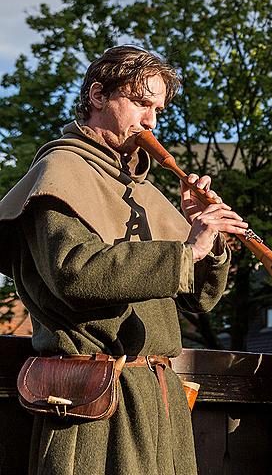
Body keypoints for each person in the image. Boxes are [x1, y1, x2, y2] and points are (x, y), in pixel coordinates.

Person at [0, 45, 248, 474]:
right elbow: (76, 274)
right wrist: (187, 251)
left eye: (158, 109)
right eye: (139, 102)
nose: (151, 121)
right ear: (97, 95)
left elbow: (198, 301)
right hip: (94, 401)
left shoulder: (142, 190)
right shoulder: (61, 171)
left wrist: (209, 243)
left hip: (158, 398)